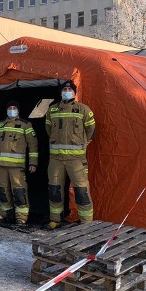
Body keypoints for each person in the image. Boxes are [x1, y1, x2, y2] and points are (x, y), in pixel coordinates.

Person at [45, 80, 96, 229]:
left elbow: (91, 131)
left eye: (69, 89)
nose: (66, 91)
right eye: (64, 89)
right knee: (54, 190)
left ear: (75, 92)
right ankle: (55, 219)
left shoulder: (83, 110)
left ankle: (86, 223)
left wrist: (82, 145)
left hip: (76, 160)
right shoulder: (52, 110)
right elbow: (48, 130)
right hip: (56, 159)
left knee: (81, 191)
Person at [0, 101, 38, 226]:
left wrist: (33, 163)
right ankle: (5, 214)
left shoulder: (25, 125)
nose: (12, 110)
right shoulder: (0, 125)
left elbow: (33, 145)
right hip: (1, 166)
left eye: (14, 108)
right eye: (10, 108)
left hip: (17, 167)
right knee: (2, 191)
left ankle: (21, 217)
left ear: (18, 110)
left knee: (19, 191)